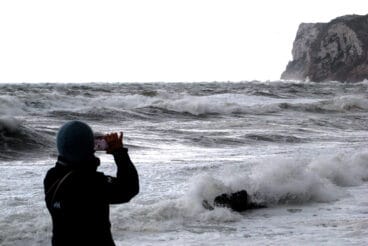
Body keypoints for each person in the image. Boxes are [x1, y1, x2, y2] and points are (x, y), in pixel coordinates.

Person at [44, 121, 139, 246]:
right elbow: (130, 188)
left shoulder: (51, 177)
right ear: (89, 147)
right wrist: (119, 152)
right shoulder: (95, 183)